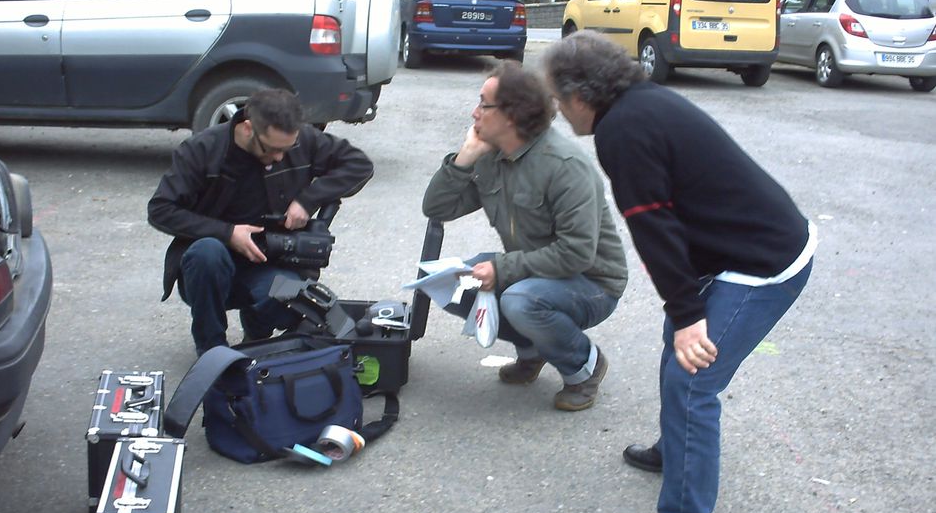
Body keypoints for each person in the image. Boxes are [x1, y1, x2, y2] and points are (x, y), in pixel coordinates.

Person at [543, 31, 816, 513]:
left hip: (763, 264)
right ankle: (677, 451)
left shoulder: (622, 129)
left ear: (580, 94)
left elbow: (655, 229)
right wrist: (683, 315)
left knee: (693, 379)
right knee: (679, 351)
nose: (555, 107)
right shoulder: (639, 104)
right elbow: (667, 222)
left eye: (557, 95)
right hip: (729, 251)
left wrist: (690, 316)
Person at [421, 61, 628, 412]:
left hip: (592, 282)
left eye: (484, 105)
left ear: (512, 115)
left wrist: (500, 269)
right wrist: (464, 159)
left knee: (520, 300)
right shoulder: (492, 156)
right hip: (535, 274)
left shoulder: (563, 166)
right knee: (451, 284)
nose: (474, 113)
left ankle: (585, 366)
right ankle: (535, 350)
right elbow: (437, 208)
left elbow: (576, 254)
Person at [148, 89, 373, 354]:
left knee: (293, 299)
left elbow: (359, 165)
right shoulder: (201, 149)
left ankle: (256, 339)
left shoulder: (302, 141)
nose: (279, 158)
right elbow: (160, 209)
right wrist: (228, 232)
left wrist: (308, 200)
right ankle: (212, 351)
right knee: (206, 253)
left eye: (287, 149)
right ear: (247, 129)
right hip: (212, 262)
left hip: (272, 260)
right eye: (272, 149)